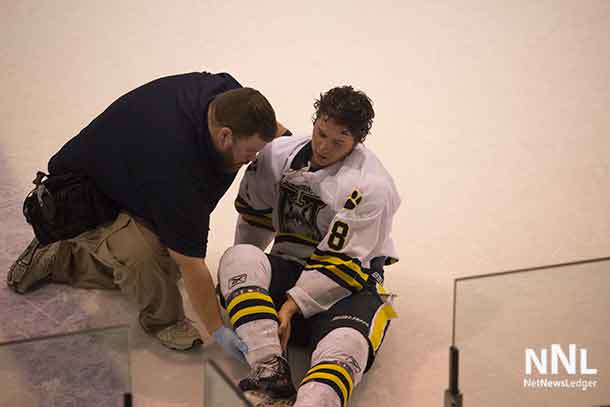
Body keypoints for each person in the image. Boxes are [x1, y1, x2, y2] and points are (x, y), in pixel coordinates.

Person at [7, 71, 287, 358]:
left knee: (168, 263)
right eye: (251, 152)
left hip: (134, 174)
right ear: (225, 135)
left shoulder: (228, 96)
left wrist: (294, 153)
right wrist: (218, 330)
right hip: (89, 196)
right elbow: (192, 265)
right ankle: (67, 259)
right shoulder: (179, 172)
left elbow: (268, 128)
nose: (253, 160)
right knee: (147, 262)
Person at [217, 85, 400, 406]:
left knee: (346, 347)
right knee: (238, 257)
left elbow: (343, 263)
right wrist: (245, 287)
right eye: (320, 133)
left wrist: (289, 307)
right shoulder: (277, 154)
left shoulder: (371, 186)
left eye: (338, 142)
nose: (324, 146)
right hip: (289, 269)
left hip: (348, 290)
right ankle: (269, 372)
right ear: (315, 121)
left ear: (357, 142)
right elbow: (253, 220)